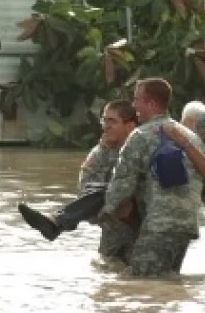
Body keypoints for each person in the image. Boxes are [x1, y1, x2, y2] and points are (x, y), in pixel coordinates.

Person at [99, 78, 205, 277]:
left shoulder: (140, 136)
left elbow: (122, 184)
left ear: (152, 104)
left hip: (158, 226)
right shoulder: (190, 136)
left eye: (137, 100)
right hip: (187, 225)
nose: (133, 106)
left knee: (142, 281)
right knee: (168, 283)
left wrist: (105, 212)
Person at [17, 101, 139, 242]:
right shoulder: (100, 152)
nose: (105, 126)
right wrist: (108, 208)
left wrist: (118, 201)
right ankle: (56, 223)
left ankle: (57, 222)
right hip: (112, 227)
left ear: (130, 126)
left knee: (109, 190)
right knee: (108, 262)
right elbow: (85, 190)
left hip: (139, 222)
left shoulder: (142, 148)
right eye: (104, 120)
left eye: (112, 121)